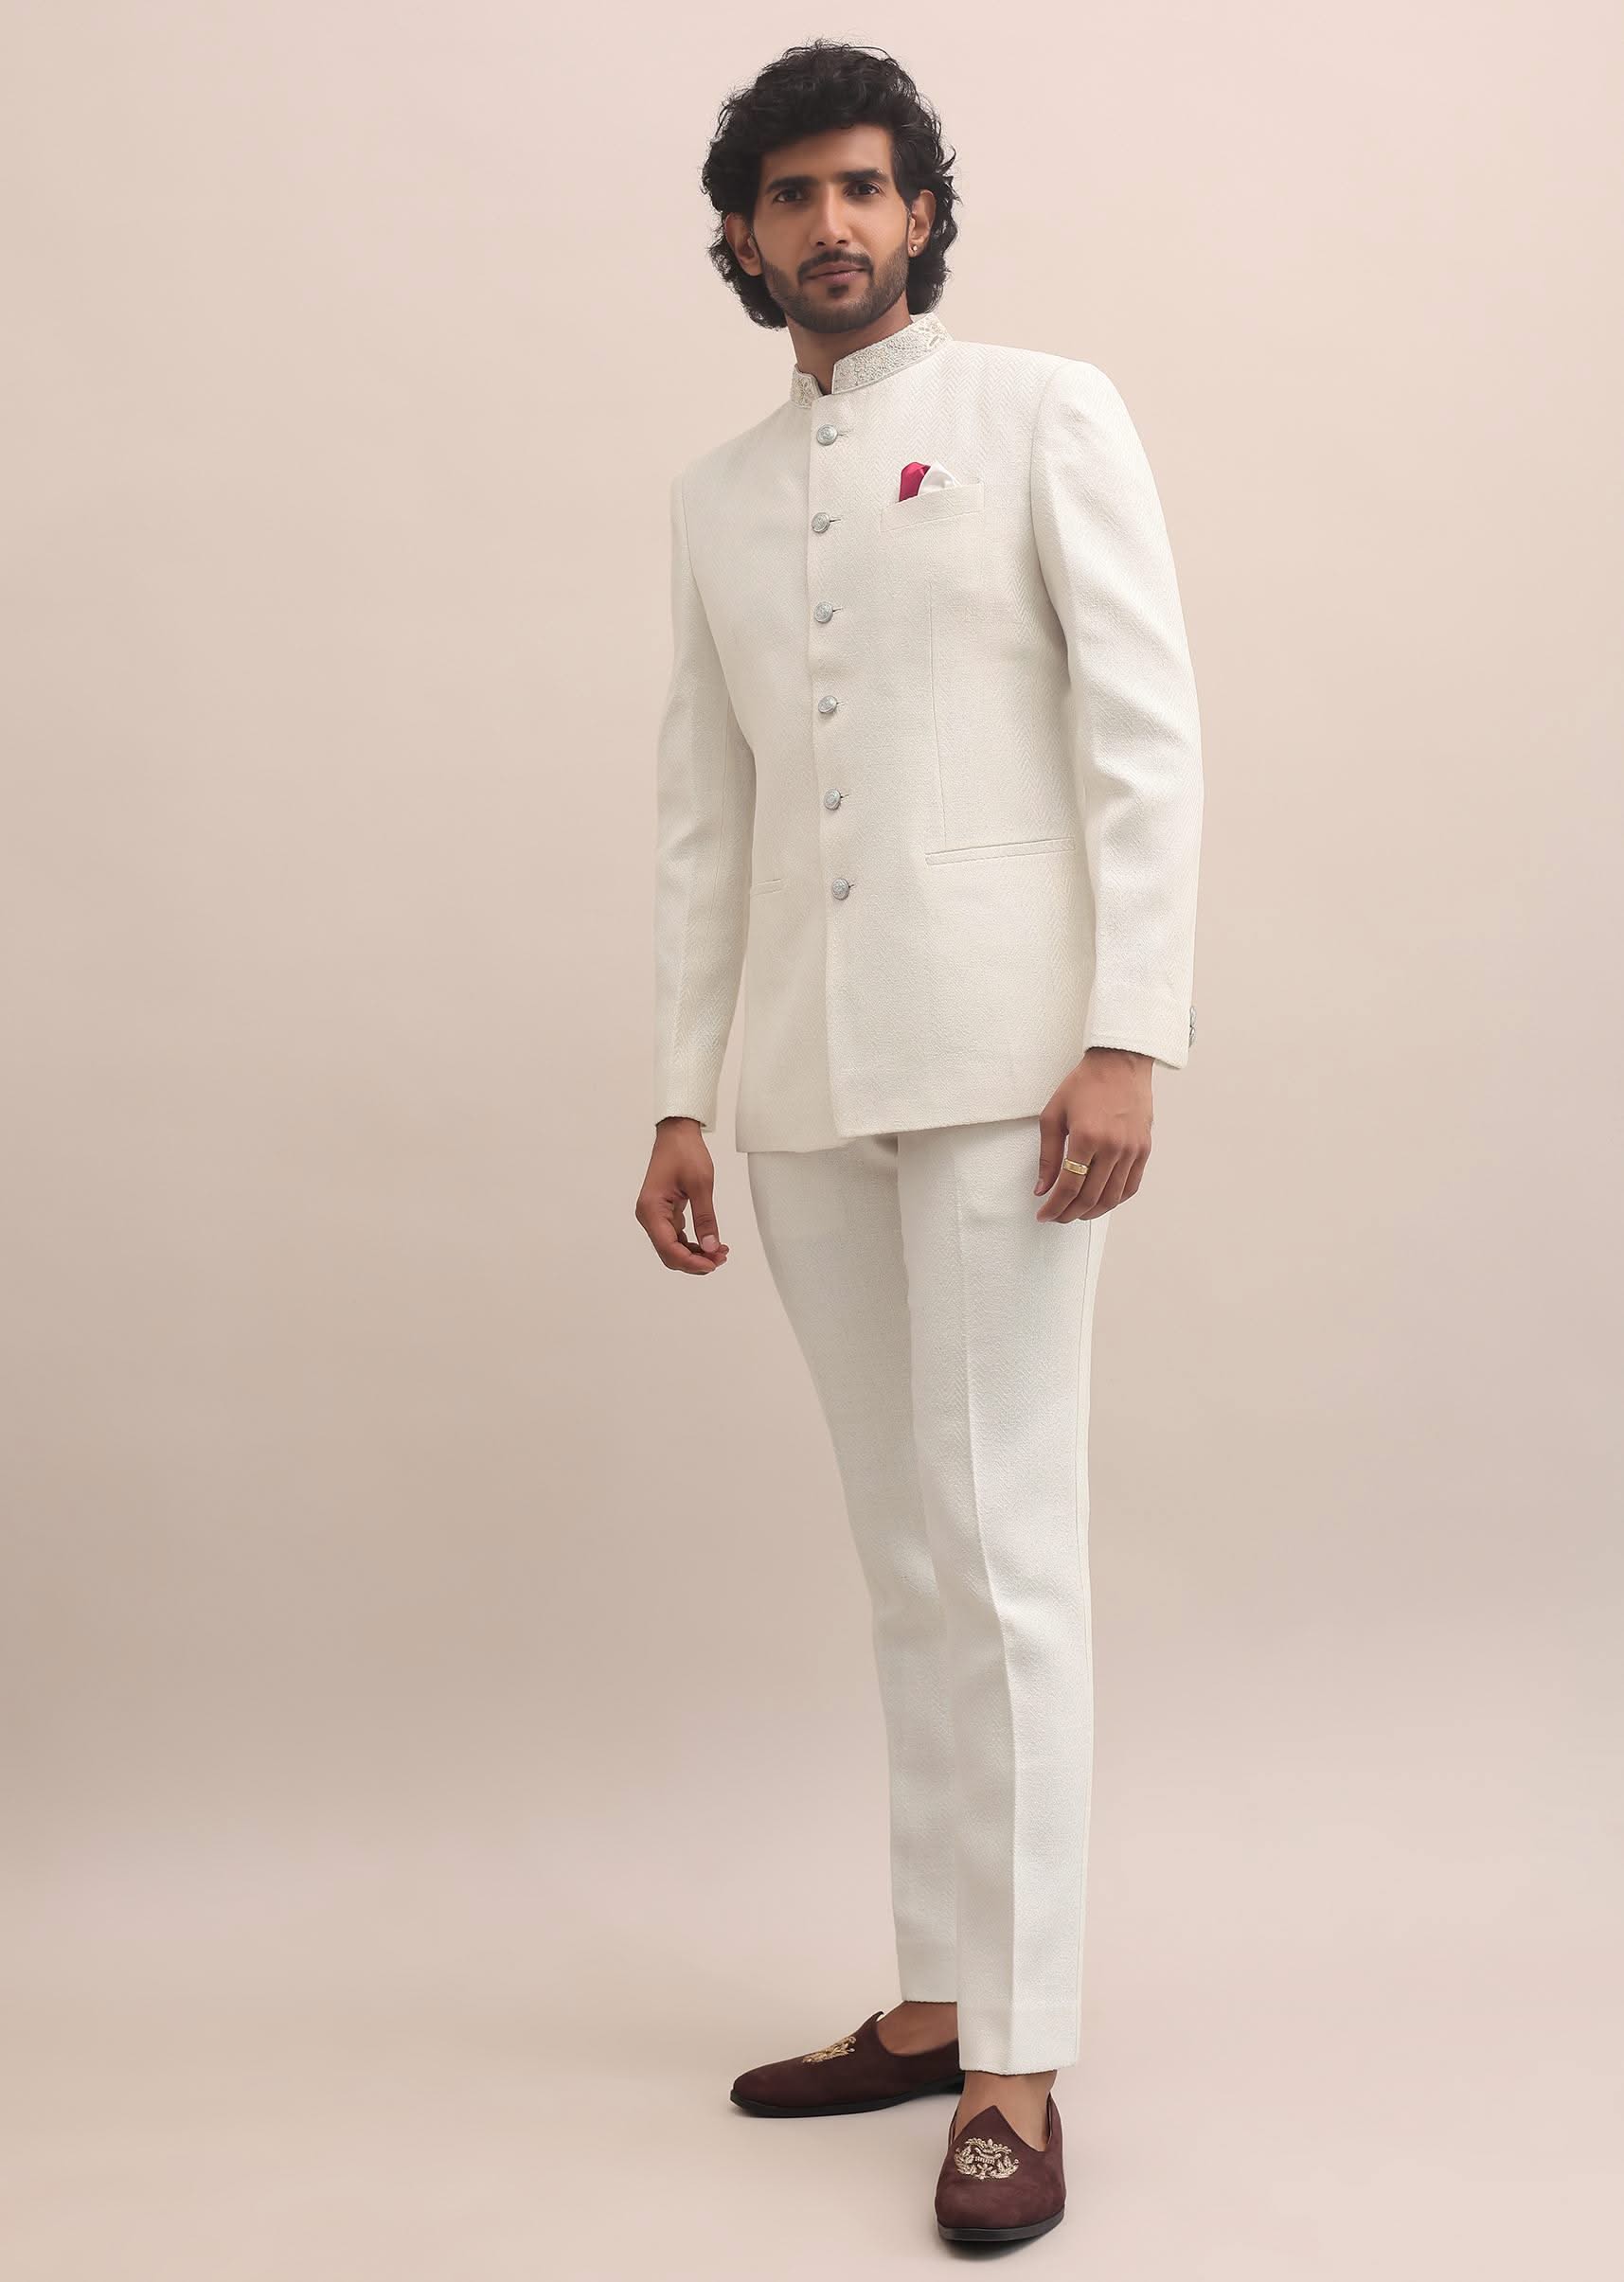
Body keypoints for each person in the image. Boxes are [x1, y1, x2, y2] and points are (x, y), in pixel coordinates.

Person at [634, 38, 1203, 2248]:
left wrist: (1127, 1035)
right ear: (745, 235)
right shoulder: (709, 498)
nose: (833, 224)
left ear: (923, 213)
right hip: (798, 1088)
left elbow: (1145, 736)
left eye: (865, 186)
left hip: (1009, 1074)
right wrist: (684, 1086)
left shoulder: (1046, 414)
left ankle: (1020, 2062)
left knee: (1011, 1557)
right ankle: (941, 1984)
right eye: (793, 195)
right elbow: (705, 816)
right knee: (906, 1559)